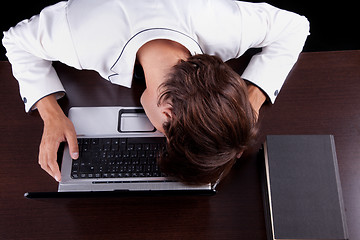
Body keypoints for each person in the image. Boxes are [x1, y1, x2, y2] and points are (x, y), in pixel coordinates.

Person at [2, 0, 310, 184]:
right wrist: (49, 111)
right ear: (166, 113)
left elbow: (296, 26)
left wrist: (251, 98)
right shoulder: (78, 38)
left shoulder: (230, 27)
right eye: (166, 134)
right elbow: (15, 41)